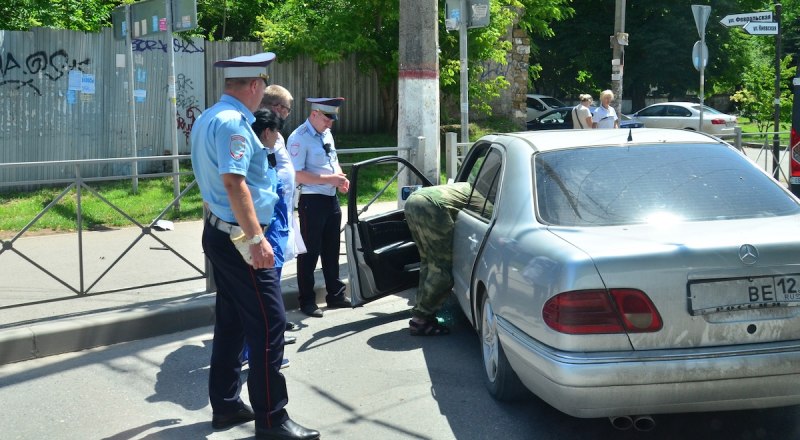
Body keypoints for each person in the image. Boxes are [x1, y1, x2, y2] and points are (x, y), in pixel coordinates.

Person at [190, 52, 319, 440]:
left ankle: (227, 404)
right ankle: (272, 419)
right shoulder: (233, 123)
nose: (262, 93)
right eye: (262, 85)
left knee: (232, 321)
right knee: (269, 323)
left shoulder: (210, 116)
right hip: (241, 237)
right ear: (253, 85)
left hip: (221, 232)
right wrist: (257, 238)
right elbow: (234, 183)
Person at [288, 97, 351, 318]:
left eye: (332, 119)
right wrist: (330, 179)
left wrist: (340, 179)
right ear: (314, 113)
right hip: (311, 200)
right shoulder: (299, 138)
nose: (330, 123)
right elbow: (296, 174)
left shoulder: (325, 133)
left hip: (330, 198)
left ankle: (336, 295)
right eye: (326, 118)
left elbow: (333, 160)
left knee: (331, 249)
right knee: (309, 252)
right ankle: (306, 301)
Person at [404, 182, 473, 336]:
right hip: (432, 206)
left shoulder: (470, 186)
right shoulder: (489, 199)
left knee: (427, 261)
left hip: (414, 200)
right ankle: (421, 320)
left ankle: (421, 312)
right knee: (441, 267)